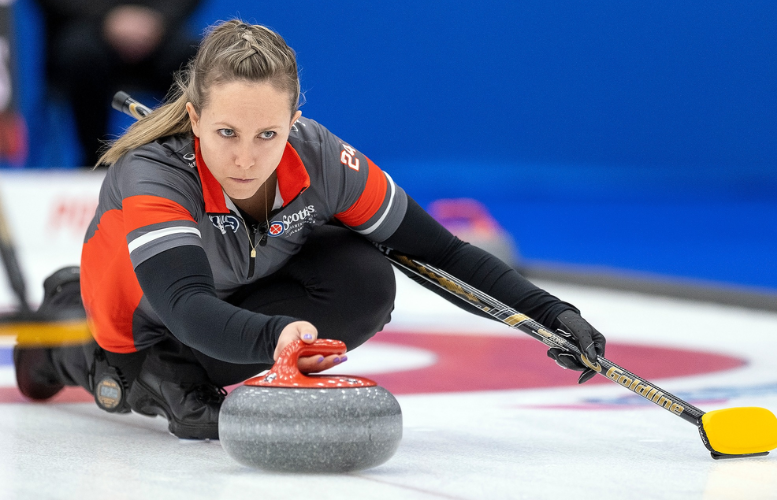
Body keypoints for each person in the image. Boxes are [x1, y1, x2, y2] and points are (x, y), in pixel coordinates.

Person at [13, 20, 606, 440]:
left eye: (267, 134)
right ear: (194, 117)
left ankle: (197, 363)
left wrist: (551, 314)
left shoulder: (321, 158)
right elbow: (187, 306)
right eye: (226, 134)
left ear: (294, 121)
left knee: (365, 275)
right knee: (176, 393)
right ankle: (71, 337)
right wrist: (276, 337)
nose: (246, 159)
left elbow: (442, 252)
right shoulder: (152, 173)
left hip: (233, 295)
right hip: (148, 320)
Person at [35, 0, 200, 166]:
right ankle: (96, 161)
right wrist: (108, 16)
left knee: (195, 59)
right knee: (81, 54)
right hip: (88, 25)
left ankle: (181, 160)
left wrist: (156, 18)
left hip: (157, 29)